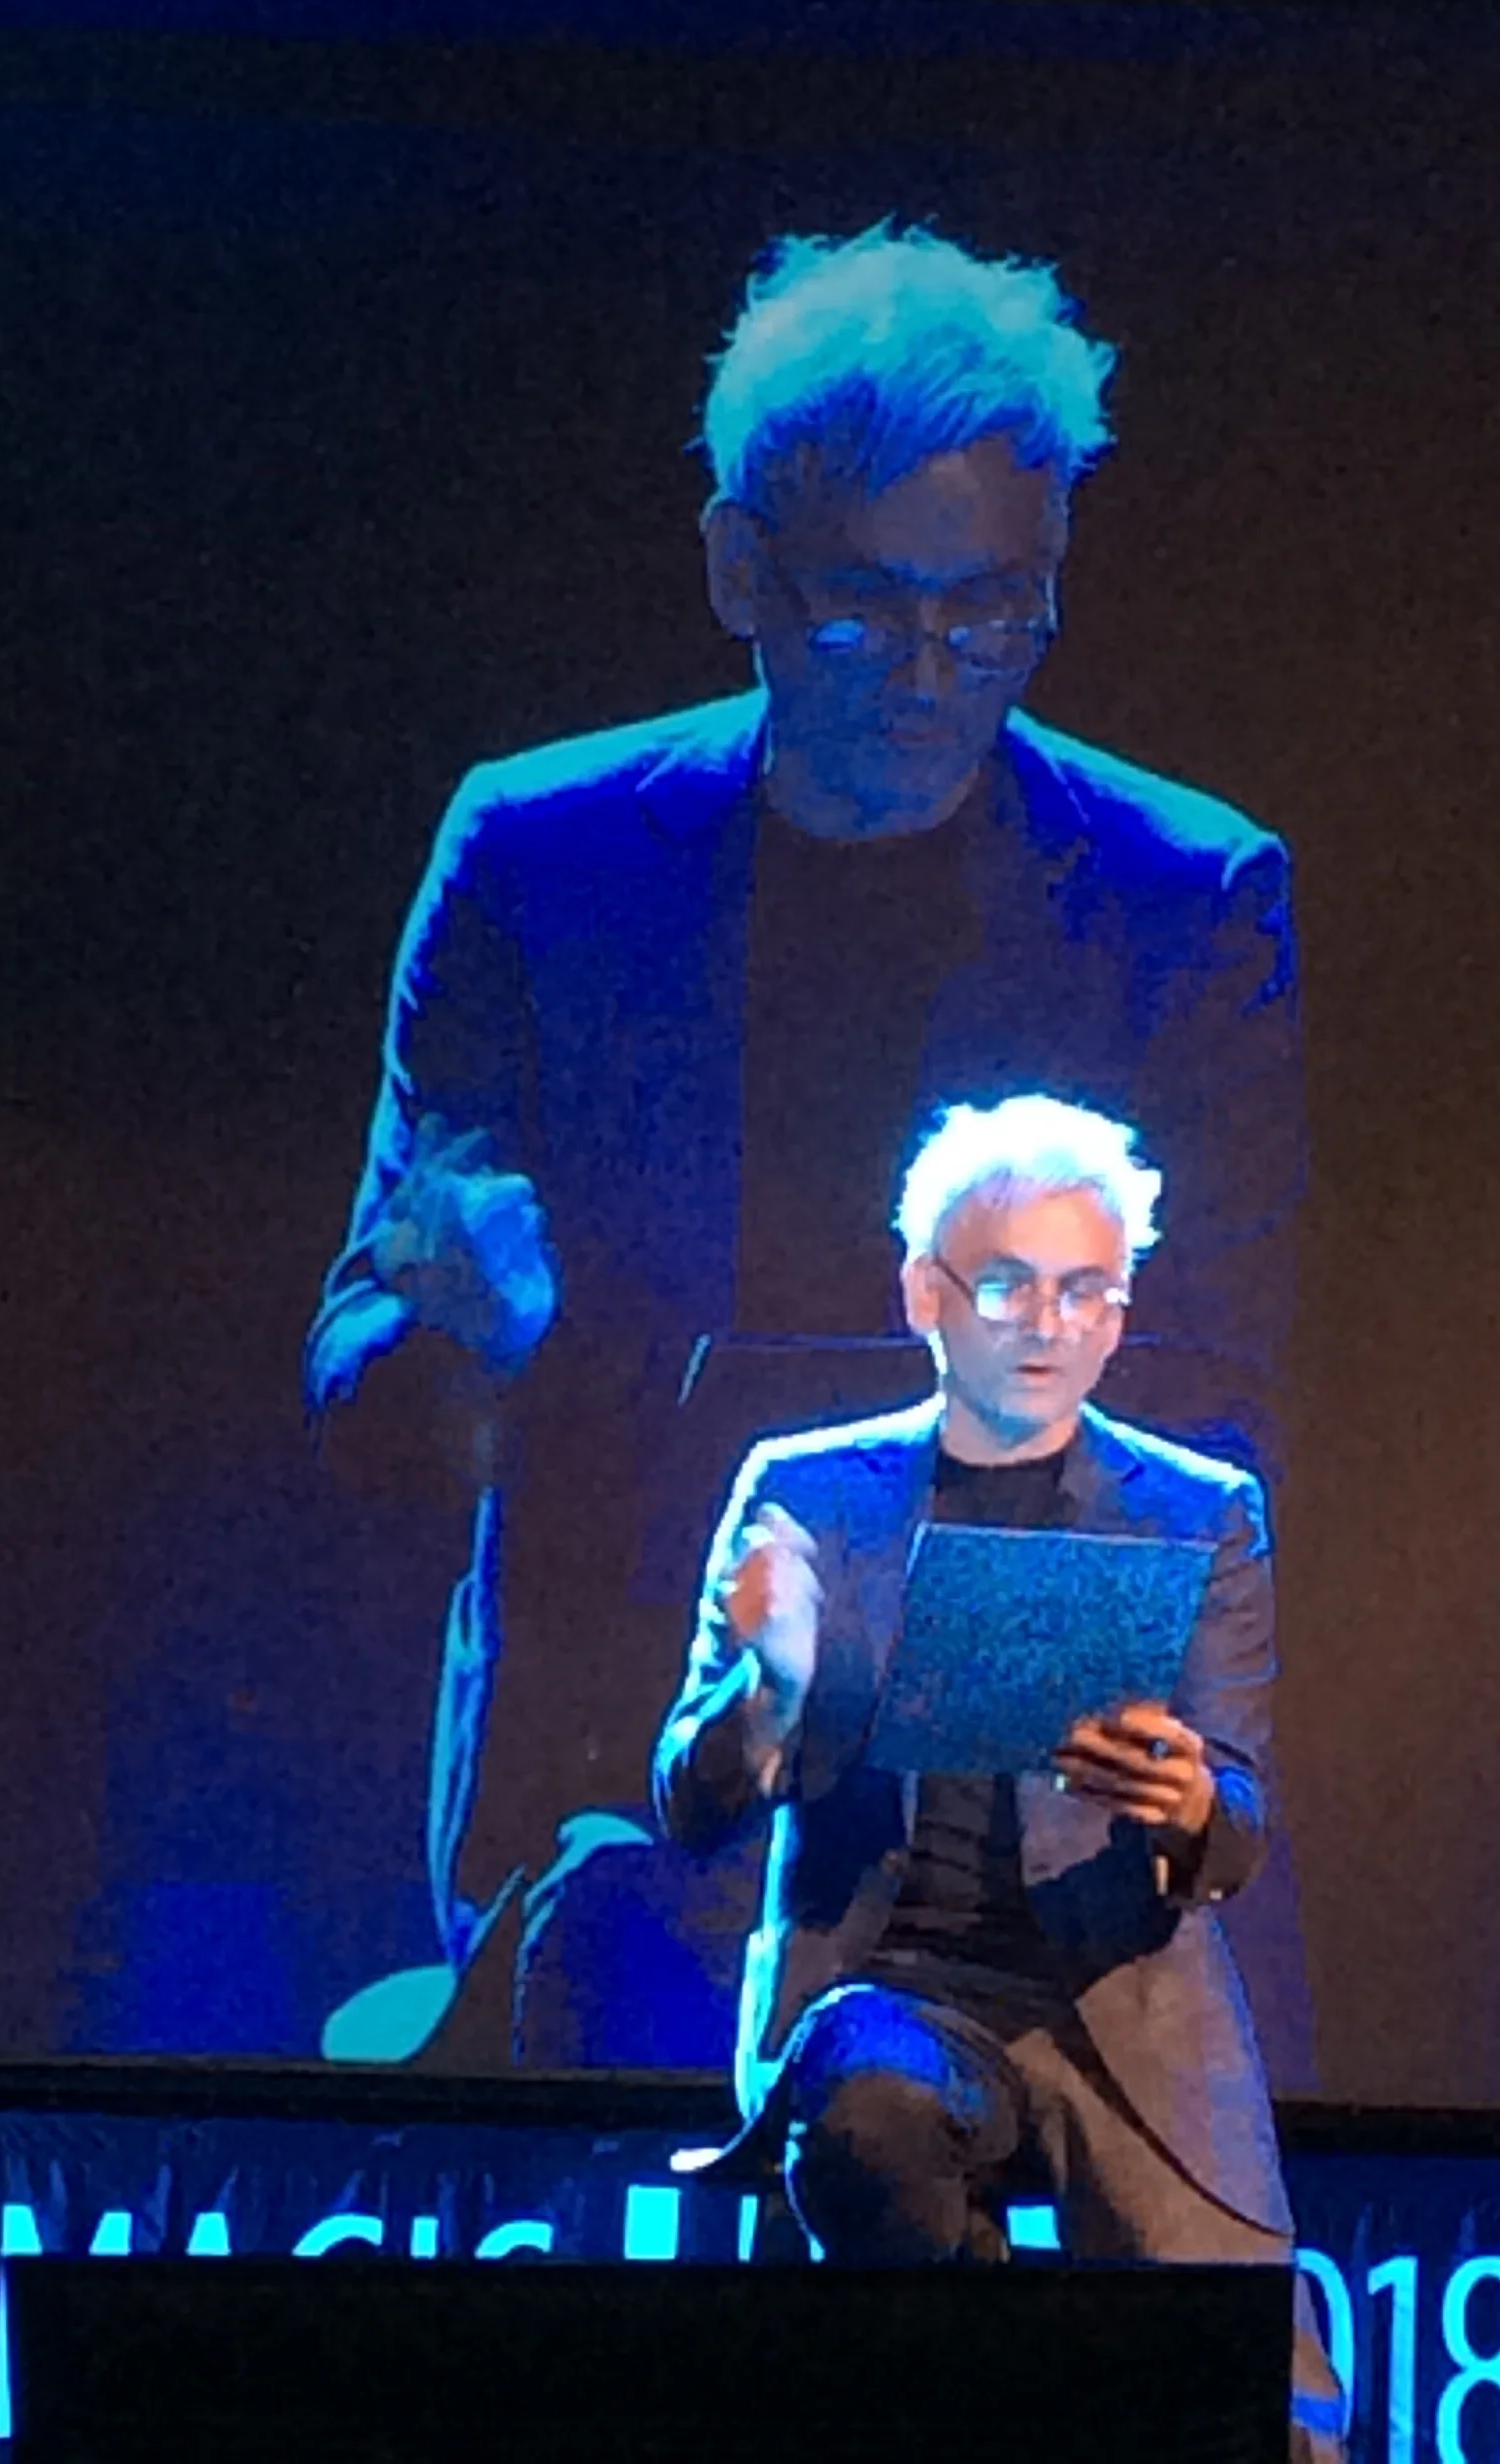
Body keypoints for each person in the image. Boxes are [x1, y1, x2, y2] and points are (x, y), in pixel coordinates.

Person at [306, 224, 1304, 2070]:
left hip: (1024, 1829)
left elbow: (1209, 1405)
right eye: (865, 611)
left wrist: (919, 1770)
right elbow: (365, 1410)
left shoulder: (1183, 900)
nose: (933, 674)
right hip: (602, 1809)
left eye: (995, 612)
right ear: (738, 569)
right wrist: (481, 1345)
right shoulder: (538, 860)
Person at [654, 1094, 1344, 2461]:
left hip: (1120, 2002)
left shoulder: (1197, 1509)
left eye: (1086, 1291)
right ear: (926, 1294)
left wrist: (1189, 1802)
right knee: (868, 2114)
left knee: (1263, 2394)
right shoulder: (807, 1494)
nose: (1047, 1324)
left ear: (1120, 1312)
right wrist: (768, 1687)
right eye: (1008, 1284)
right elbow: (690, 1804)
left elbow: (1240, 1816)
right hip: (888, 1992)